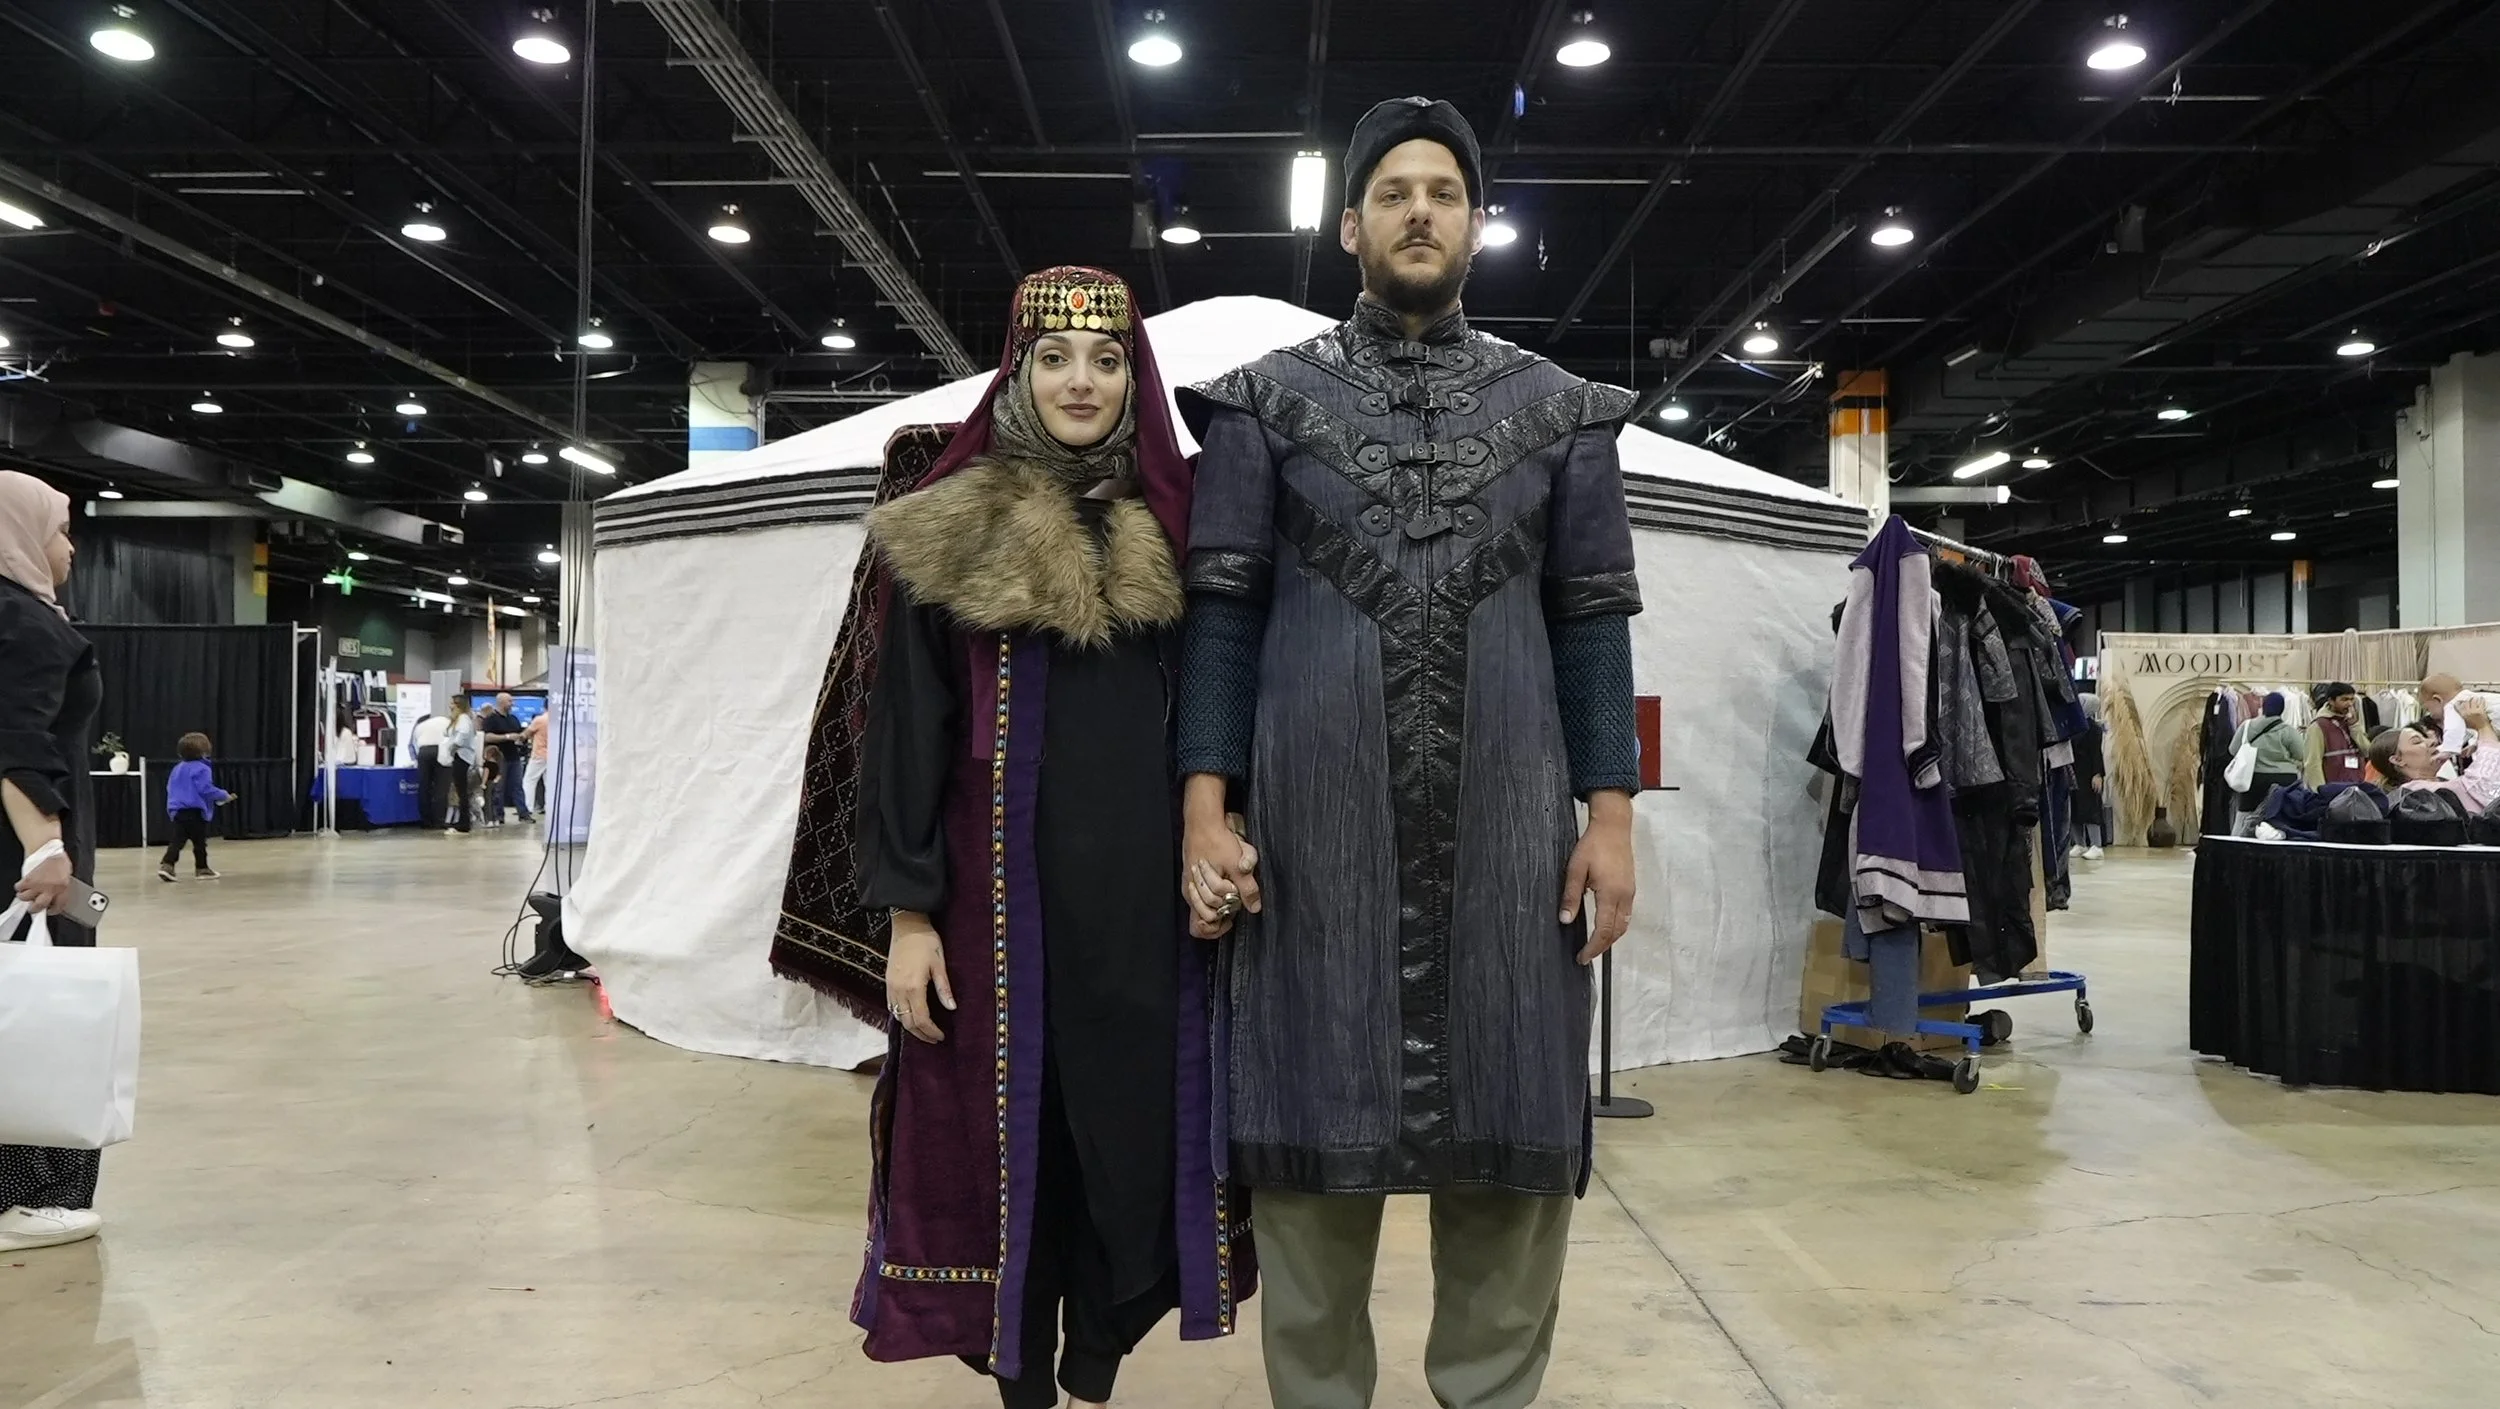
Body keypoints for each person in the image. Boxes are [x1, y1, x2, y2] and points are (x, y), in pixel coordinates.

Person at [1175, 97, 1641, 1409]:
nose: (1420, 209)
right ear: (1348, 227)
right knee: (1311, 1165)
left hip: (1511, 852)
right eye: (1394, 192)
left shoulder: (1561, 415)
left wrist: (1611, 820)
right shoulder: (1264, 408)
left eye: (1444, 189)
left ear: (1478, 222)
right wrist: (1203, 811)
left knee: (1508, 1155)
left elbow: (1593, 628)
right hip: (1313, 856)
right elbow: (1222, 618)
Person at [849, 267, 1247, 1409]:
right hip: (990, 910)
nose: (1083, 380)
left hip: (1144, 915)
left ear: (1137, 378)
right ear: (1018, 370)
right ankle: (1019, 1366)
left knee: (1122, 1132)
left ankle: (1105, 1337)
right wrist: (910, 914)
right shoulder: (949, 524)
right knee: (1002, 1131)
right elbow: (905, 741)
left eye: (1109, 360)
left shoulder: (1186, 527)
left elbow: (1232, 707)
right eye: (1057, 358)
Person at [0, 470, 107, 1253]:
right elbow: (16, 743)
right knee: (42, 1016)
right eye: (62, 530)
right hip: (28, 857)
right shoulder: (25, 623)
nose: (70, 548)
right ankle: (30, 1195)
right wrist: (47, 846)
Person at [2371, 700, 2500, 811]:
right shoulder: (2414, 793)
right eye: (2417, 741)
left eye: (2425, 737)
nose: (2433, 741)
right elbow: (2483, 787)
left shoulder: (2439, 783)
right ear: (2398, 760)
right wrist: (2483, 728)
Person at [158, 731, 235, 882]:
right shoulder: (202, 768)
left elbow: (170, 788)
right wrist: (224, 795)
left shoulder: (177, 768)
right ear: (204, 750)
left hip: (178, 810)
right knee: (199, 842)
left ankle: (167, 865)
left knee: (178, 840)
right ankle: (202, 869)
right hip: (195, 811)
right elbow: (206, 789)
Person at [2227, 692, 2305, 835]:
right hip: (2284, 780)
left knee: (2245, 815)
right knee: (2281, 818)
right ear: (2282, 709)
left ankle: (2237, 848)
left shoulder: (2247, 726)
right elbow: (2300, 754)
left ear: (2263, 706)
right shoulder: (2288, 731)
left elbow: (2232, 750)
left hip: (2254, 778)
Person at [2303, 682, 2372, 787]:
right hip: (2332, 788)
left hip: (2356, 785)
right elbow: (2312, 763)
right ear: (2331, 701)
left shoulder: (2351, 721)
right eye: (2344, 699)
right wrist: (2320, 791)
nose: (2349, 704)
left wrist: (2354, 727)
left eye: (2351, 699)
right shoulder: (2319, 725)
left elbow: (2367, 751)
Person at [479, 692, 533, 824]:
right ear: (501, 702)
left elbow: (520, 732)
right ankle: (498, 815)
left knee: (517, 786)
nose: (512, 703)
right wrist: (506, 737)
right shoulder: (491, 719)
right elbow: (486, 736)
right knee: (498, 788)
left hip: (513, 756)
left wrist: (523, 736)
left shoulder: (513, 718)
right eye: (509, 701)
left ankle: (523, 813)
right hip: (499, 758)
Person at [2070, 696, 2107, 859]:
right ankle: (2079, 843)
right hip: (2074, 772)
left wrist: (2098, 774)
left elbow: (2096, 753)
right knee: (2074, 809)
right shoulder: (2074, 726)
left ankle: (2096, 845)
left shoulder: (2094, 728)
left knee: (2090, 809)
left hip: (2088, 774)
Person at [442, 697, 479, 834]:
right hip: (461, 756)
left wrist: (452, 747)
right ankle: (464, 820)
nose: (450, 706)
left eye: (452, 703)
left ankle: (464, 822)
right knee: (461, 790)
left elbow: (461, 736)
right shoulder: (462, 719)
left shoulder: (463, 719)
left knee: (461, 790)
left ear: (458, 705)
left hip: (461, 756)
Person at [410, 709, 450, 825]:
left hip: (424, 751)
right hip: (441, 749)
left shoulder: (421, 725)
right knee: (441, 787)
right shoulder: (448, 722)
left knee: (424, 786)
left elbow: (414, 743)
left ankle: (425, 820)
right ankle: (439, 819)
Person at [520, 709, 549, 820]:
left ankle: (528, 807)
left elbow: (525, 734)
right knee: (549, 784)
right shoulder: (558, 720)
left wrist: (520, 737)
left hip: (539, 755)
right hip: (553, 755)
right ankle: (549, 807)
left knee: (529, 780)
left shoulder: (540, 719)